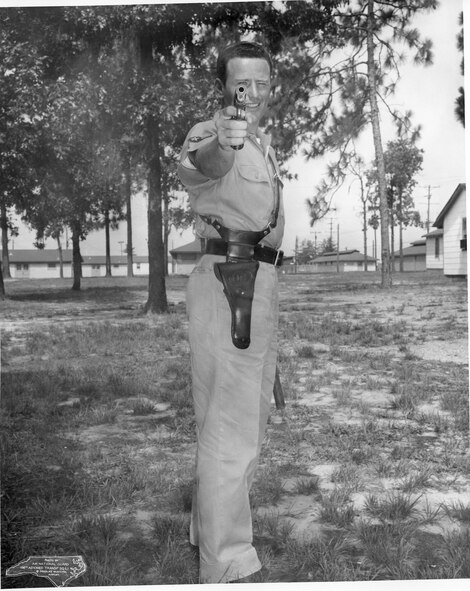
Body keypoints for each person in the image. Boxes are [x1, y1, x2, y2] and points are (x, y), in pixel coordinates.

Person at [177, 41, 285, 584]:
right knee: (229, 426)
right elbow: (203, 163)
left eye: (262, 82)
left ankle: (208, 533)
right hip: (229, 283)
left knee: (241, 417)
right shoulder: (212, 130)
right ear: (224, 86)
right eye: (242, 83)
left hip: (254, 281)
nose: (253, 92)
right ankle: (226, 561)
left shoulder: (263, 143)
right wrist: (224, 137)